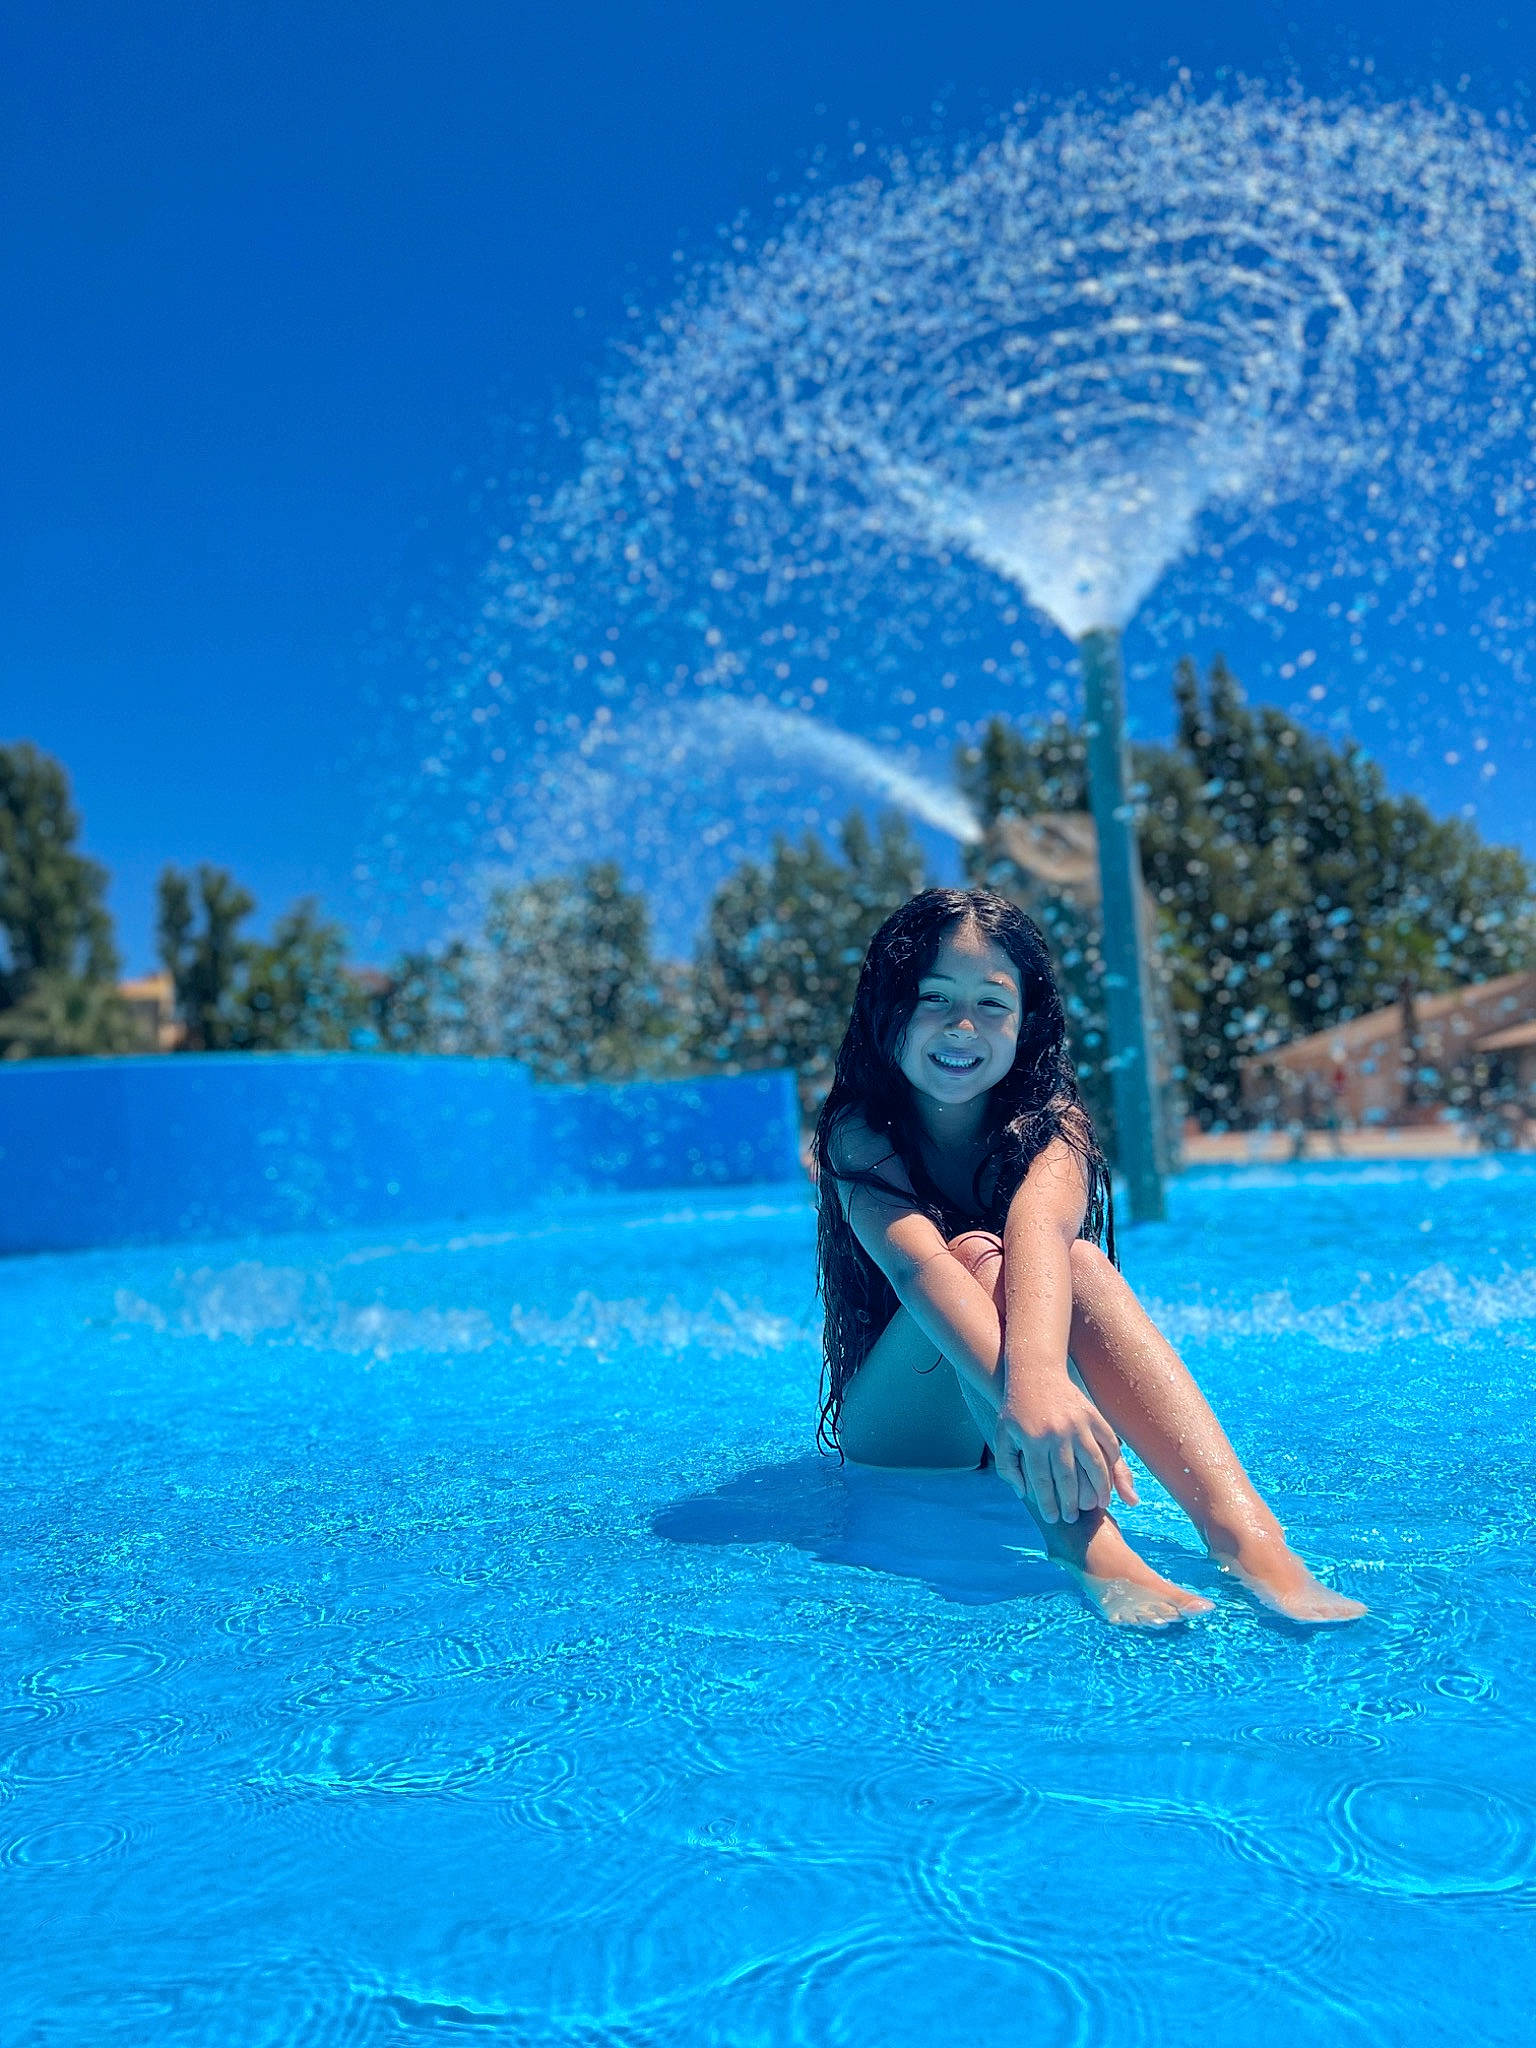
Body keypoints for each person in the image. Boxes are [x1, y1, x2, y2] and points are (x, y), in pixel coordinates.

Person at [814, 887, 1366, 1630]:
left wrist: (1036, 1385)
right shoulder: (858, 1131)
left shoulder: (1055, 1123)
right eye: (934, 997)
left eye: (992, 1003)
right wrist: (1031, 1391)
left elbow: (1040, 1230)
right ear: (886, 1006)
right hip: (905, 1433)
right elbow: (919, 1266)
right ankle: (1092, 1549)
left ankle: (1247, 1536)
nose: (963, 1026)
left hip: (1026, 1411)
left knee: (1074, 1261)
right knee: (972, 1249)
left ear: (1028, 1021)